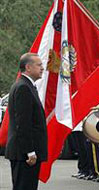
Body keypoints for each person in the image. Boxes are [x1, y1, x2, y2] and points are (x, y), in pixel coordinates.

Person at [5, 53, 48, 190]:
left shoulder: (27, 85)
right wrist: (29, 151)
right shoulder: (23, 87)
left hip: (25, 152)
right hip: (24, 154)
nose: (42, 68)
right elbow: (23, 123)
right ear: (28, 67)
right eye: (39, 65)